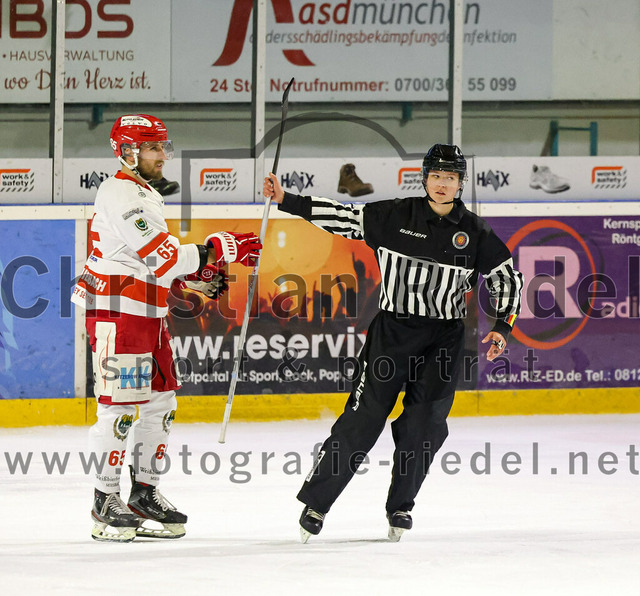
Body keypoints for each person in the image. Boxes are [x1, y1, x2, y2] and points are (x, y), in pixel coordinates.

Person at [263, 144, 524, 542]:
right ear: (425, 178)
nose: (442, 184)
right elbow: (344, 217)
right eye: (436, 176)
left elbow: (506, 275)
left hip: (443, 339)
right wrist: (288, 200)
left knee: (425, 424)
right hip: (393, 334)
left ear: (460, 183)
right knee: (363, 418)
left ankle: (401, 506)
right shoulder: (394, 216)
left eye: (450, 177)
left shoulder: (474, 231)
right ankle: (317, 503)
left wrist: (503, 325)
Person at [72, 114, 262, 542]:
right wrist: (220, 248)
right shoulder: (121, 192)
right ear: (127, 151)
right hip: (119, 312)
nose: (162, 155)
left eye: (163, 146)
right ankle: (104, 499)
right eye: (153, 147)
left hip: (148, 312)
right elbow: (163, 256)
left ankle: (143, 493)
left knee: (161, 402)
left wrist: (189, 280)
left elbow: (144, 262)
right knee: (119, 408)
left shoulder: (143, 191)